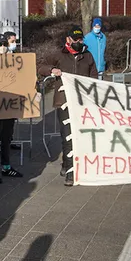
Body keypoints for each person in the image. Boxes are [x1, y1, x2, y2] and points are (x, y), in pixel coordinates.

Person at [38, 27, 98, 186]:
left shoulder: (88, 56)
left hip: (82, 102)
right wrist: (52, 70)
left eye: (81, 39)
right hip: (63, 101)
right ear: (68, 40)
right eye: (76, 39)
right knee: (68, 135)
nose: (79, 42)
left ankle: (68, 162)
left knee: (81, 135)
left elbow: (94, 77)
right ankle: (70, 170)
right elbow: (41, 67)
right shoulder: (59, 54)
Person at [0, 34, 23, 184]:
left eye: (4, 44)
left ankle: (6, 166)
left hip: (9, 104)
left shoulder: (13, 57)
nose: (2, 47)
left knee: (7, 137)